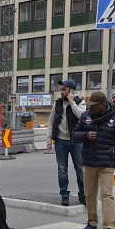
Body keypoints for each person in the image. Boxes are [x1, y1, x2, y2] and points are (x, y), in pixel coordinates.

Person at [72, 91, 115, 229]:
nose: (90, 108)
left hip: (107, 164)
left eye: (93, 106)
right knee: (89, 194)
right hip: (89, 162)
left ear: (103, 105)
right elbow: (74, 134)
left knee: (106, 194)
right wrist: (85, 135)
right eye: (89, 106)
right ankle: (91, 223)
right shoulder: (85, 116)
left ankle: (110, 228)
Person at [46, 79, 86, 207]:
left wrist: (72, 102)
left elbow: (82, 116)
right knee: (62, 169)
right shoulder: (57, 104)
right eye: (61, 89)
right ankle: (64, 194)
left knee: (80, 168)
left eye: (64, 89)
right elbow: (51, 122)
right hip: (60, 140)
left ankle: (83, 194)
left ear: (71, 91)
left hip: (76, 140)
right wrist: (49, 139)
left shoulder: (81, 102)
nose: (61, 91)